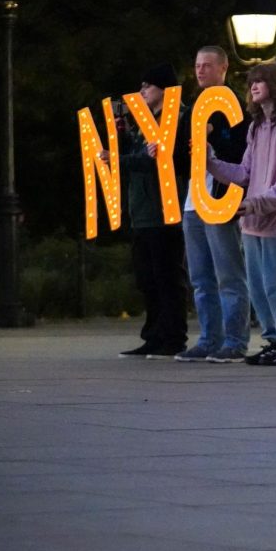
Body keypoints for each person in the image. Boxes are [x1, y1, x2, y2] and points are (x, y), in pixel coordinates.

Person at [206, 62, 276, 366]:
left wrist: (254, 204)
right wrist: (209, 160)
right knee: (259, 285)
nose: (253, 86)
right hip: (252, 220)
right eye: (252, 81)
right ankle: (274, 339)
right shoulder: (255, 127)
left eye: (261, 81)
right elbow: (245, 173)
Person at [175, 46, 251, 363]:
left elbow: (240, 150)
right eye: (196, 65)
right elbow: (179, 156)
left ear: (224, 68)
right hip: (194, 200)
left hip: (219, 198)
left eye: (207, 65)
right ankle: (209, 338)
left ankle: (234, 340)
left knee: (228, 274)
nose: (201, 70)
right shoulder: (192, 110)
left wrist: (214, 138)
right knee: (201, 276)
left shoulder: (234, 109)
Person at [109, 64, 190, 359]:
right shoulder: (145, 123)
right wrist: (122, 140)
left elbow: (155, 160)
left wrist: (118, 160)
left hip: (165, 208)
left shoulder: (177, 119)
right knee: (148, 277)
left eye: (148, 86)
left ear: (164, 90)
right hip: (144, 208)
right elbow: (140, 156)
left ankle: (173, 336)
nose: (142, 92)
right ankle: (154, 335)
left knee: (167, 275)